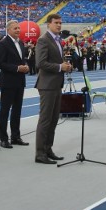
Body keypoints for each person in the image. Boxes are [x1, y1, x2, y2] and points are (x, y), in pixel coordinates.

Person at [34, 13, 73, 164]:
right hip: (47, 85)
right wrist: (59, 67)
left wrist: (66, 66)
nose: (59, 25)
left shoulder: (58, 40)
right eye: (56, 22)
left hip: (56, 84)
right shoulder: (43, 40)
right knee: (45, 120)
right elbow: (40, 63)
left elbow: (57, 61)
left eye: (60, 23)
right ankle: (40, 153)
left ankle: (48, 148)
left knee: (54, 119)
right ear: (48, 24)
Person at [0, 20, 30, 149]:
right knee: (5, 111)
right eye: (15, 28)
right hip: (8, 81)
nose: (18, 30)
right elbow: (0, 63)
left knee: (17, 110)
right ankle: (3, 139)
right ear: (8, 30)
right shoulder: (3, 44)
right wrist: (17, 68)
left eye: (18, 28)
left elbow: (22, 60)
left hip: (20, 81)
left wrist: (25, 66)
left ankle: (15, 136)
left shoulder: (21, 43)